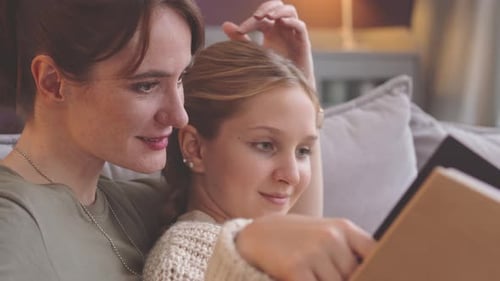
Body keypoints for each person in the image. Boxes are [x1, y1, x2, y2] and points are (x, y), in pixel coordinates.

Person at [0, 0, 375, 280]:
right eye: (145, 85)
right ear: (52, 82)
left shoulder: (145, 201)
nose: (179, 115)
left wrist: (296, 80)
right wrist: (244, 244)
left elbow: (297, 228)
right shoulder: (13, 226)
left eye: (180, 79)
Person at [143, 39, 323, 281]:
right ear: (195, 148)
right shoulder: (183, 261)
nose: (292, 175)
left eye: (303, 151)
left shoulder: (267, 251)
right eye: (265, 145)